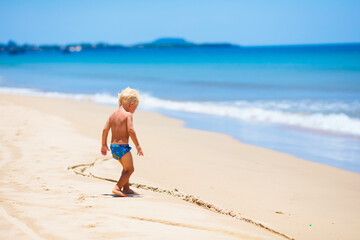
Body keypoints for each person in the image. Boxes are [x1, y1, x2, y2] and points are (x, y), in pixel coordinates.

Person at [101, 87, 144, 197]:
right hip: (123, 147)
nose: (134, 110)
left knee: (125, 168)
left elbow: (105, 130)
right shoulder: (128, 115)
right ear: (131, 104)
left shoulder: (112, 115)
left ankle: (126, 188)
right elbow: (130, 130)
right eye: (135, 107)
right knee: (130, 169)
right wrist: (138, 146)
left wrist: (103, 144)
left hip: (113, 147)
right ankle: (117, 187)